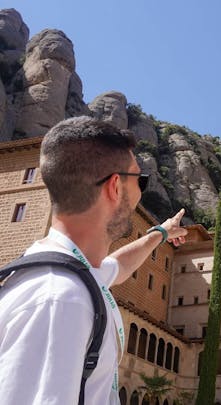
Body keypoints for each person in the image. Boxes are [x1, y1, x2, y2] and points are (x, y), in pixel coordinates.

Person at [0, 116, 188, 404]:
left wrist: (160, 233)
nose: (141, 191)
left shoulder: (66, 273)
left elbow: (117, 267)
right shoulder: (63, 301)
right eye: (141, 180)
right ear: (115, 186)